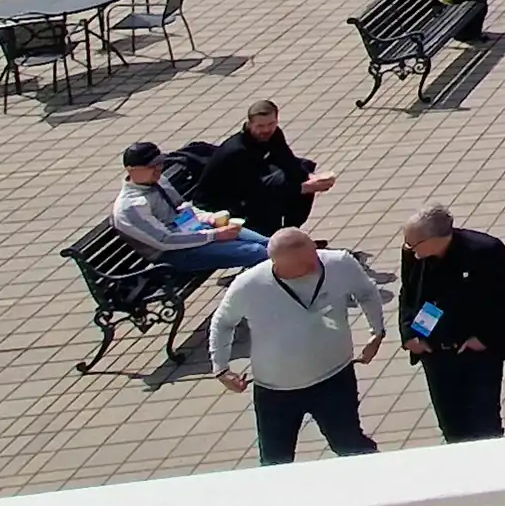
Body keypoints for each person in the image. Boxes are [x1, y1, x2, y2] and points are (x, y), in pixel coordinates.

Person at [209, 227, 387, 465]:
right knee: (275, 461)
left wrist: (377, 332)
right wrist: (221, 368)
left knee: (350, 445)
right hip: (276, 391)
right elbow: (223, 323)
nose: (316, 265)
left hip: (334, 377)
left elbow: (366, 292)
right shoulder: (249, 286)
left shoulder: (340, 263)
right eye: (305, 263)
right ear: (279, 265)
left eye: (315, 255)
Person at [397, 205, 505, 443]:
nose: (409, 249)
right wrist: (409, 334)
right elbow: (409, 294)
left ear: (435, 239)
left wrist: (486, 337)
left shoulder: (484, 251)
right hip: (435, 353)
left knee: (485, 425)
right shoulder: (415, 255)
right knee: (451, 426)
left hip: (477, 354)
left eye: (414, 244)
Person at [113, 141, 269, 271]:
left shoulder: (158, 181)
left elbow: (181, 207)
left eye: (159, 163)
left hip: (196, 230)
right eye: (152, 166)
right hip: (176, 253)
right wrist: (215, 235)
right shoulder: (131, 207)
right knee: (257, 252)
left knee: (272, 244)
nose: (158, 169)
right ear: (131, 170)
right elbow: (165, 241)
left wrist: (210, 218)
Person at [195, 100, 338, 237]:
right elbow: (254, 190)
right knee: (276, 196)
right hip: (221, 203)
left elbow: (288, 161)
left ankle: (291, 232)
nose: (266, 130)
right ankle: (272, 237)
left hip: (251, 183)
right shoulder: (238, 150)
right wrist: (302, 188)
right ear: (250, 125)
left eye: (271, 124)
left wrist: (310, 177)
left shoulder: (274, 134)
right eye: (260, 126)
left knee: (301, 173)